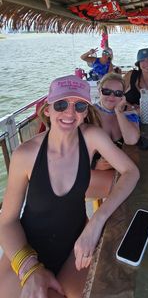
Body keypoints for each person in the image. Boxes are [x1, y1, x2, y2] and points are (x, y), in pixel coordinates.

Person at [0, 75, 139, 298]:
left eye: (79, 105)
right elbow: (6, 222)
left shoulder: (91, 137)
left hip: (75, 244)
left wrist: (96, 222)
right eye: (61, 104)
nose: (70, 113)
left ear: (86, 111)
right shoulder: (25, 154)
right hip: (27, 247)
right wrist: (30, 268)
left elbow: (131, 172)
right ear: (47, 110)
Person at [92, 73, 140, 170]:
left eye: (118, 93)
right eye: (106, 91)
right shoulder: (88, 113)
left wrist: (119, 112)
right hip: (95, 172)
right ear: (99, 91)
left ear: (123, 96)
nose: (112, 96)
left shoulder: (128, 112)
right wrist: (95, 165)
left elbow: (131, 140)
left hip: (122, 168)